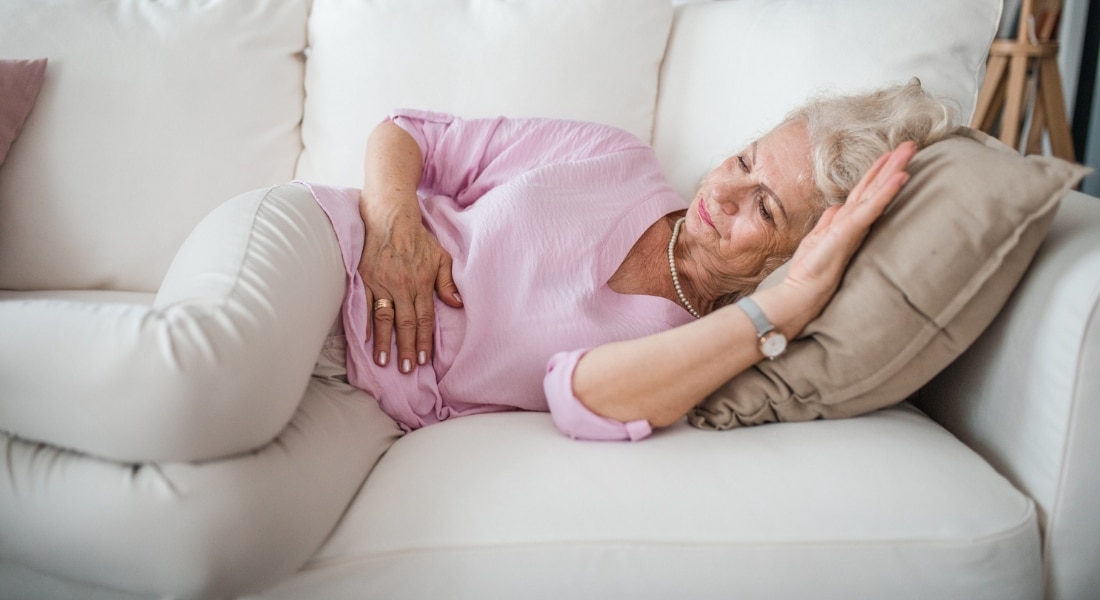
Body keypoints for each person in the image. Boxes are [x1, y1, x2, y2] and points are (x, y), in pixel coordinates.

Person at [305, 78, 957, 441]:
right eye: (745, 159)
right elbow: (407, 132)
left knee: (230, 537)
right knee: (207, 389)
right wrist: (394, 227)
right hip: (330, 257)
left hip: (372, 408)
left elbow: (579, 395)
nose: (724, 192)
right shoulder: (616, 158)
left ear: (797, 256)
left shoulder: (706, 344)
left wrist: (787, 306)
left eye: (764, 209)